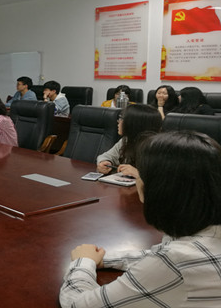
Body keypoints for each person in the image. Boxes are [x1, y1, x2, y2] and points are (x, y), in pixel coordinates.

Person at [59, 131, 221, 307]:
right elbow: (159, 254)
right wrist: (104, 259)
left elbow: (78, 304)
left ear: (159, 189)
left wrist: (83, 262)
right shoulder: (202, 240)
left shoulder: (176, 263)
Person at [96, 104, 162, 175]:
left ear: (134, 124)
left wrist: (137, 174)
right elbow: (106, 156)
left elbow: (161, 177)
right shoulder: (126, 140)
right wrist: (104, 162)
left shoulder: (157, 147)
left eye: (122, 118)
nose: (118, 121)